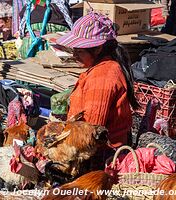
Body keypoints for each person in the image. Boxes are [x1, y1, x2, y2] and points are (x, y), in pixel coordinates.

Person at [56, 12, 139, 160]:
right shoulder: (102, 68)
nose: (74, 55)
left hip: (102, 155)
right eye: (74, 50)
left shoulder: (102, 76)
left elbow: (91, 132)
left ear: (98, 49)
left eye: (80, 51)